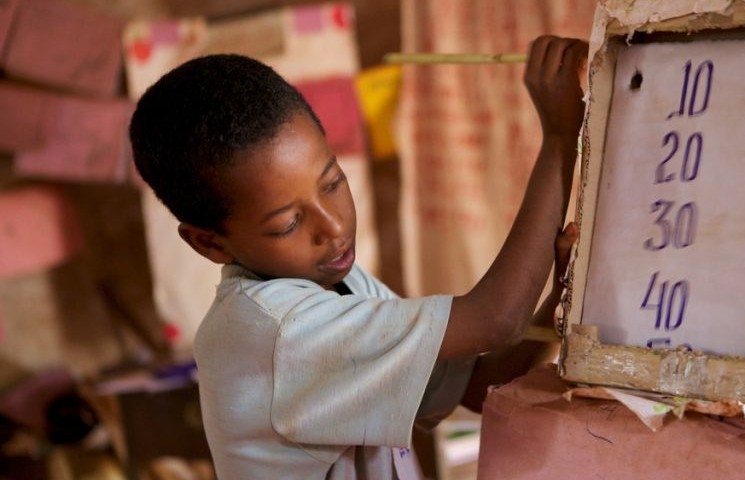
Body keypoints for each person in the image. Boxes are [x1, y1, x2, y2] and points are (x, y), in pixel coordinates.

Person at [129, 35, 586, 479]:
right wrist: (561, 136)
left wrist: (557, 300)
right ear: (209, 243)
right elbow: (495, 319)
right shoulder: (279, 331)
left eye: (332, 183)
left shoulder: (339, 287)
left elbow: (477, 387)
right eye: (288, 224)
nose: (333, 227)